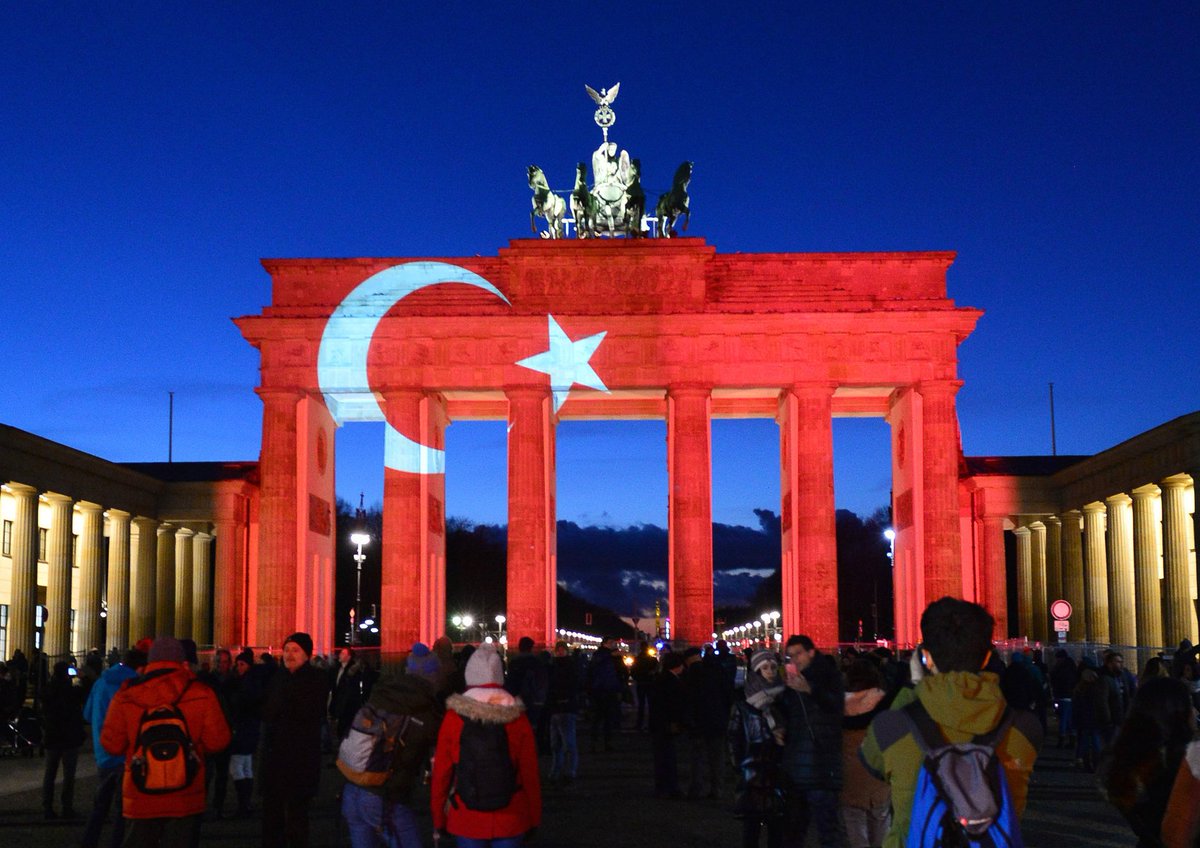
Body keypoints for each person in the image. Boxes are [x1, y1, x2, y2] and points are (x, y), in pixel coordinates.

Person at [862, 598, 1042, 848]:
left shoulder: (891, 726)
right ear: (987, 657)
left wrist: (911, 686)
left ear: (925, 657)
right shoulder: (1026, 728)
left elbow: (873, 763)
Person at [100, 635, 231, 847]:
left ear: (150, 660)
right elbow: (218, 741)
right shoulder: (201, 692)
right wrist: (193, 748)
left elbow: (111, 745)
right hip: (185, 790)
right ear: (181, 660)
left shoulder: (127, 694)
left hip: (141, 789)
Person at [430, 643, 541, 848]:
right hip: (511, 815)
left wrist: (439, 818)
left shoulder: (454, 717)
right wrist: (534, 817)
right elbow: (529, 773)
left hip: (465, 816)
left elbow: (442, 773)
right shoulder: (517, 717)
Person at [341, 642, 443, 848]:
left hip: (352, 788)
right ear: (431, 676)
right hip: (385, 798)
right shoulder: (423, 709)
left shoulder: (383, 694)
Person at [1099, 676, 1196, 848]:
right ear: (1177, 712)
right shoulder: (1184, 761)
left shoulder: (1125, 760)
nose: (1195, 711)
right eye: (1190, 704)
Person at [260, 632, 329, 848]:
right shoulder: (277, 678)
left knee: (297, 818)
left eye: (295, 650)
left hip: (300, 758)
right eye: (287, 650)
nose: (289, 654)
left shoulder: (315, 680)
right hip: (275, 758)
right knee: (272, 818)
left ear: (307, 655)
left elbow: (308, 714)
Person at [779, 634, 844, 848]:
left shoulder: (828, 676)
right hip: (797, 766)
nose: (794, 660)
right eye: (790, 656)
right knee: (793, 829)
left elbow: (836, 707)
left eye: (798, 654)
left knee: (828, 829)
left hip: (822, 766)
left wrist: (809, 689)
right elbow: (791, 716)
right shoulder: (792, 681)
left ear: (811, 652)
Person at [82, 647, 145, 848]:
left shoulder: (101, 682)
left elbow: (87, 714)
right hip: (127, 753)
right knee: (122, 808)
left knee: (100, 805)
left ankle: (89, 842)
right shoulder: (136, 684)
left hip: (104, 752)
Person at [729, 650, 786, 848]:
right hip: (752, 771)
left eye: (772, 667)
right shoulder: (742, 704)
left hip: (778, 768)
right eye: (764, 667)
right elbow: (733, 739)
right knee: (751, 829)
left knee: (778, 827)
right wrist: (739, 766)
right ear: (756, 671)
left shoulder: (785, 699)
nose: (770, 671)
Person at [839, 659, 891, 848]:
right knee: (882, 830)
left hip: (849, 779)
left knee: (856, 834)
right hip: (878, 777)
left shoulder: (839, 706)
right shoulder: (885, 703)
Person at [42, 660, 86, 819]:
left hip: (52, 736)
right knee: (69, 775)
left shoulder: (48, 689)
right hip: (69, 737)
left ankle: (47, 806)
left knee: (50, 774)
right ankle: (66, 806)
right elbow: (83, 695)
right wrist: (80, 679)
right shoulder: (71, 690)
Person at [226, 648, 267, 817]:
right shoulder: (255, 682)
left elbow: (240, 706)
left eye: (242, 664)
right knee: (247, 766)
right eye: (237, 664)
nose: (238, 667)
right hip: (251, 729)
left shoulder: (246, 684)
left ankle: (243, 804)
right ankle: (246, 803)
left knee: (237, 767)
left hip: (242, 729)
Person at [649, 652, 686, 799]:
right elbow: (674, 705)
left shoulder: (659, 679)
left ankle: (662, 787)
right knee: (669, 757)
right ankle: (671, 787)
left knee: (661, 756)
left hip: (658, 723)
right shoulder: (673, 682)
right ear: (678, 666)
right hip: (668, 724)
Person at [545, 640, 582, 785]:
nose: (560, 652)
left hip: (565, 707)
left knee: (567, 744)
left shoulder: (558, 666)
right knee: (556, 744)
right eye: (558, 650)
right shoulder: (565, 665)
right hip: (558, 707)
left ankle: (568, 771)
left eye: (562, 649)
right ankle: (558, 770)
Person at [1071, 655, 1111, 773]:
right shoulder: (1098, 688)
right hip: (1095, 718)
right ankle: (1097, 761)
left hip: (1083, 719)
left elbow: (1076, 706)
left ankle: (1082, 759)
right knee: (1095, 740)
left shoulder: (1079, 689)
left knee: (1084, 739)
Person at [629, 643, 658, 732]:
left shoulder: (637, 659)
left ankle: (639, 724)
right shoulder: (653, 660)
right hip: (651, 683)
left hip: (641, 683)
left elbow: (633, 671)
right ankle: (651, 724)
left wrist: (638, 678)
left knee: (641, 705)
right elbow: (657, 671)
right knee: (651, 705)